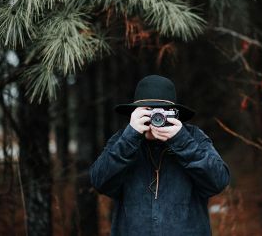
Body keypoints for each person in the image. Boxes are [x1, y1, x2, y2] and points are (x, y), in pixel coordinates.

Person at [90, 75, 230, 236]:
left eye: (161, 112)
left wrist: (181, 141)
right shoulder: (122, 140)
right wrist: (130, 137)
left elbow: (219, 181)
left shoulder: (193, 137)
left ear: (174, 114)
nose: (155, 119)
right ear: (134, 114)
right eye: (148, 112)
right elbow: (99, 181)